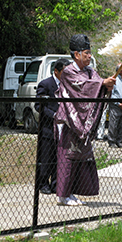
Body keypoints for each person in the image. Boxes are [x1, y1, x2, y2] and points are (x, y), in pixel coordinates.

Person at [54, 34, 116, 206]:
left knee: (80, 157)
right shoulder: (68, 72)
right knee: (67, 156)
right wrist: (102, 83)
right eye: (87, 53)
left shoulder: (91, 71)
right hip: (69, 120)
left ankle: (71, 192)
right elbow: (82, 88)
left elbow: (97, 86)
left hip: (84, 123)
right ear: (76, 54)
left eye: (90, 53)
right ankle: (62, 195)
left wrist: (107, 85)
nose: (90, 56)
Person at [35, 58, 71, 195]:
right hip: (49, 128)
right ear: (56, 71)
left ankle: (56, 184)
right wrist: (54, 115)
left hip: (64, 128)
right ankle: (43, 183)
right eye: (65, 72)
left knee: (59, 157)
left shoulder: (68, 85)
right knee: (46, 157)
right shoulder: (45, 84)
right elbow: (39, 105)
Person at [107, 63, 122, 148]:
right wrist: (118, 104)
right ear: (120, 70)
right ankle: (112, 141)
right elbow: (111, 94)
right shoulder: (114, 80)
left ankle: (120, 141)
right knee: (113, 124)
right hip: (115, 105)